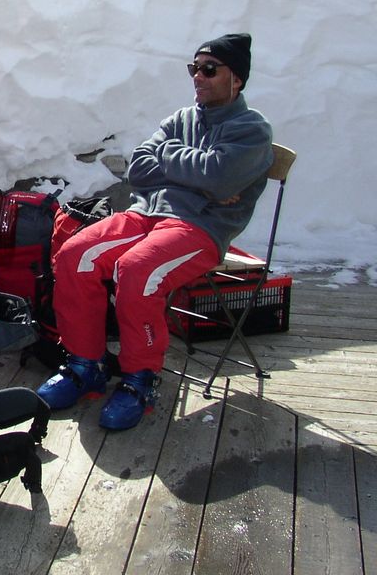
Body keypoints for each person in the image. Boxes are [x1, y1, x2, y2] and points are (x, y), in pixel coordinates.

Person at [37, 34, 274, 430]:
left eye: (209, 69)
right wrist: (195, 174)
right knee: (74, 254)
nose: (198, 76)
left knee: (137, 270)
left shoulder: (251, 130)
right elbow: (139, 171)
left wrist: (177, 165)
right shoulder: (180, 120)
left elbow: (219, 177)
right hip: (147, 214)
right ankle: (85, 363)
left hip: (199, 227)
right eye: (194, 68)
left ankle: (139, 378)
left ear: (237, 79)